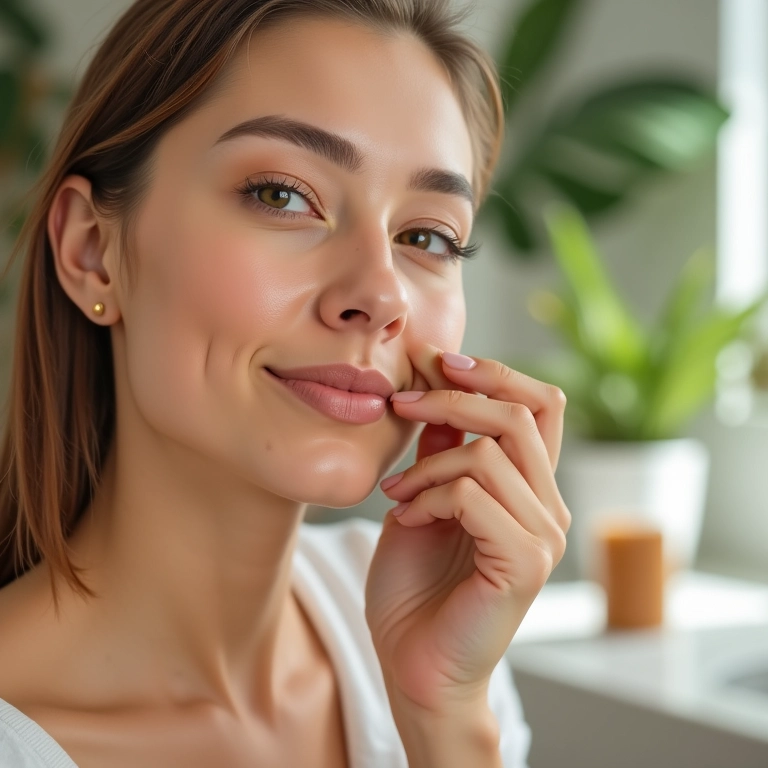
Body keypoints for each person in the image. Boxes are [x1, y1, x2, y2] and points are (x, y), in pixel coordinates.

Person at [0, 0, 570, 765]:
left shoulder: (437, 630)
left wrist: (446, 717)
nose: (381, 292)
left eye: (426, 237)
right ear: (92, 252)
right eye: (281, 195)